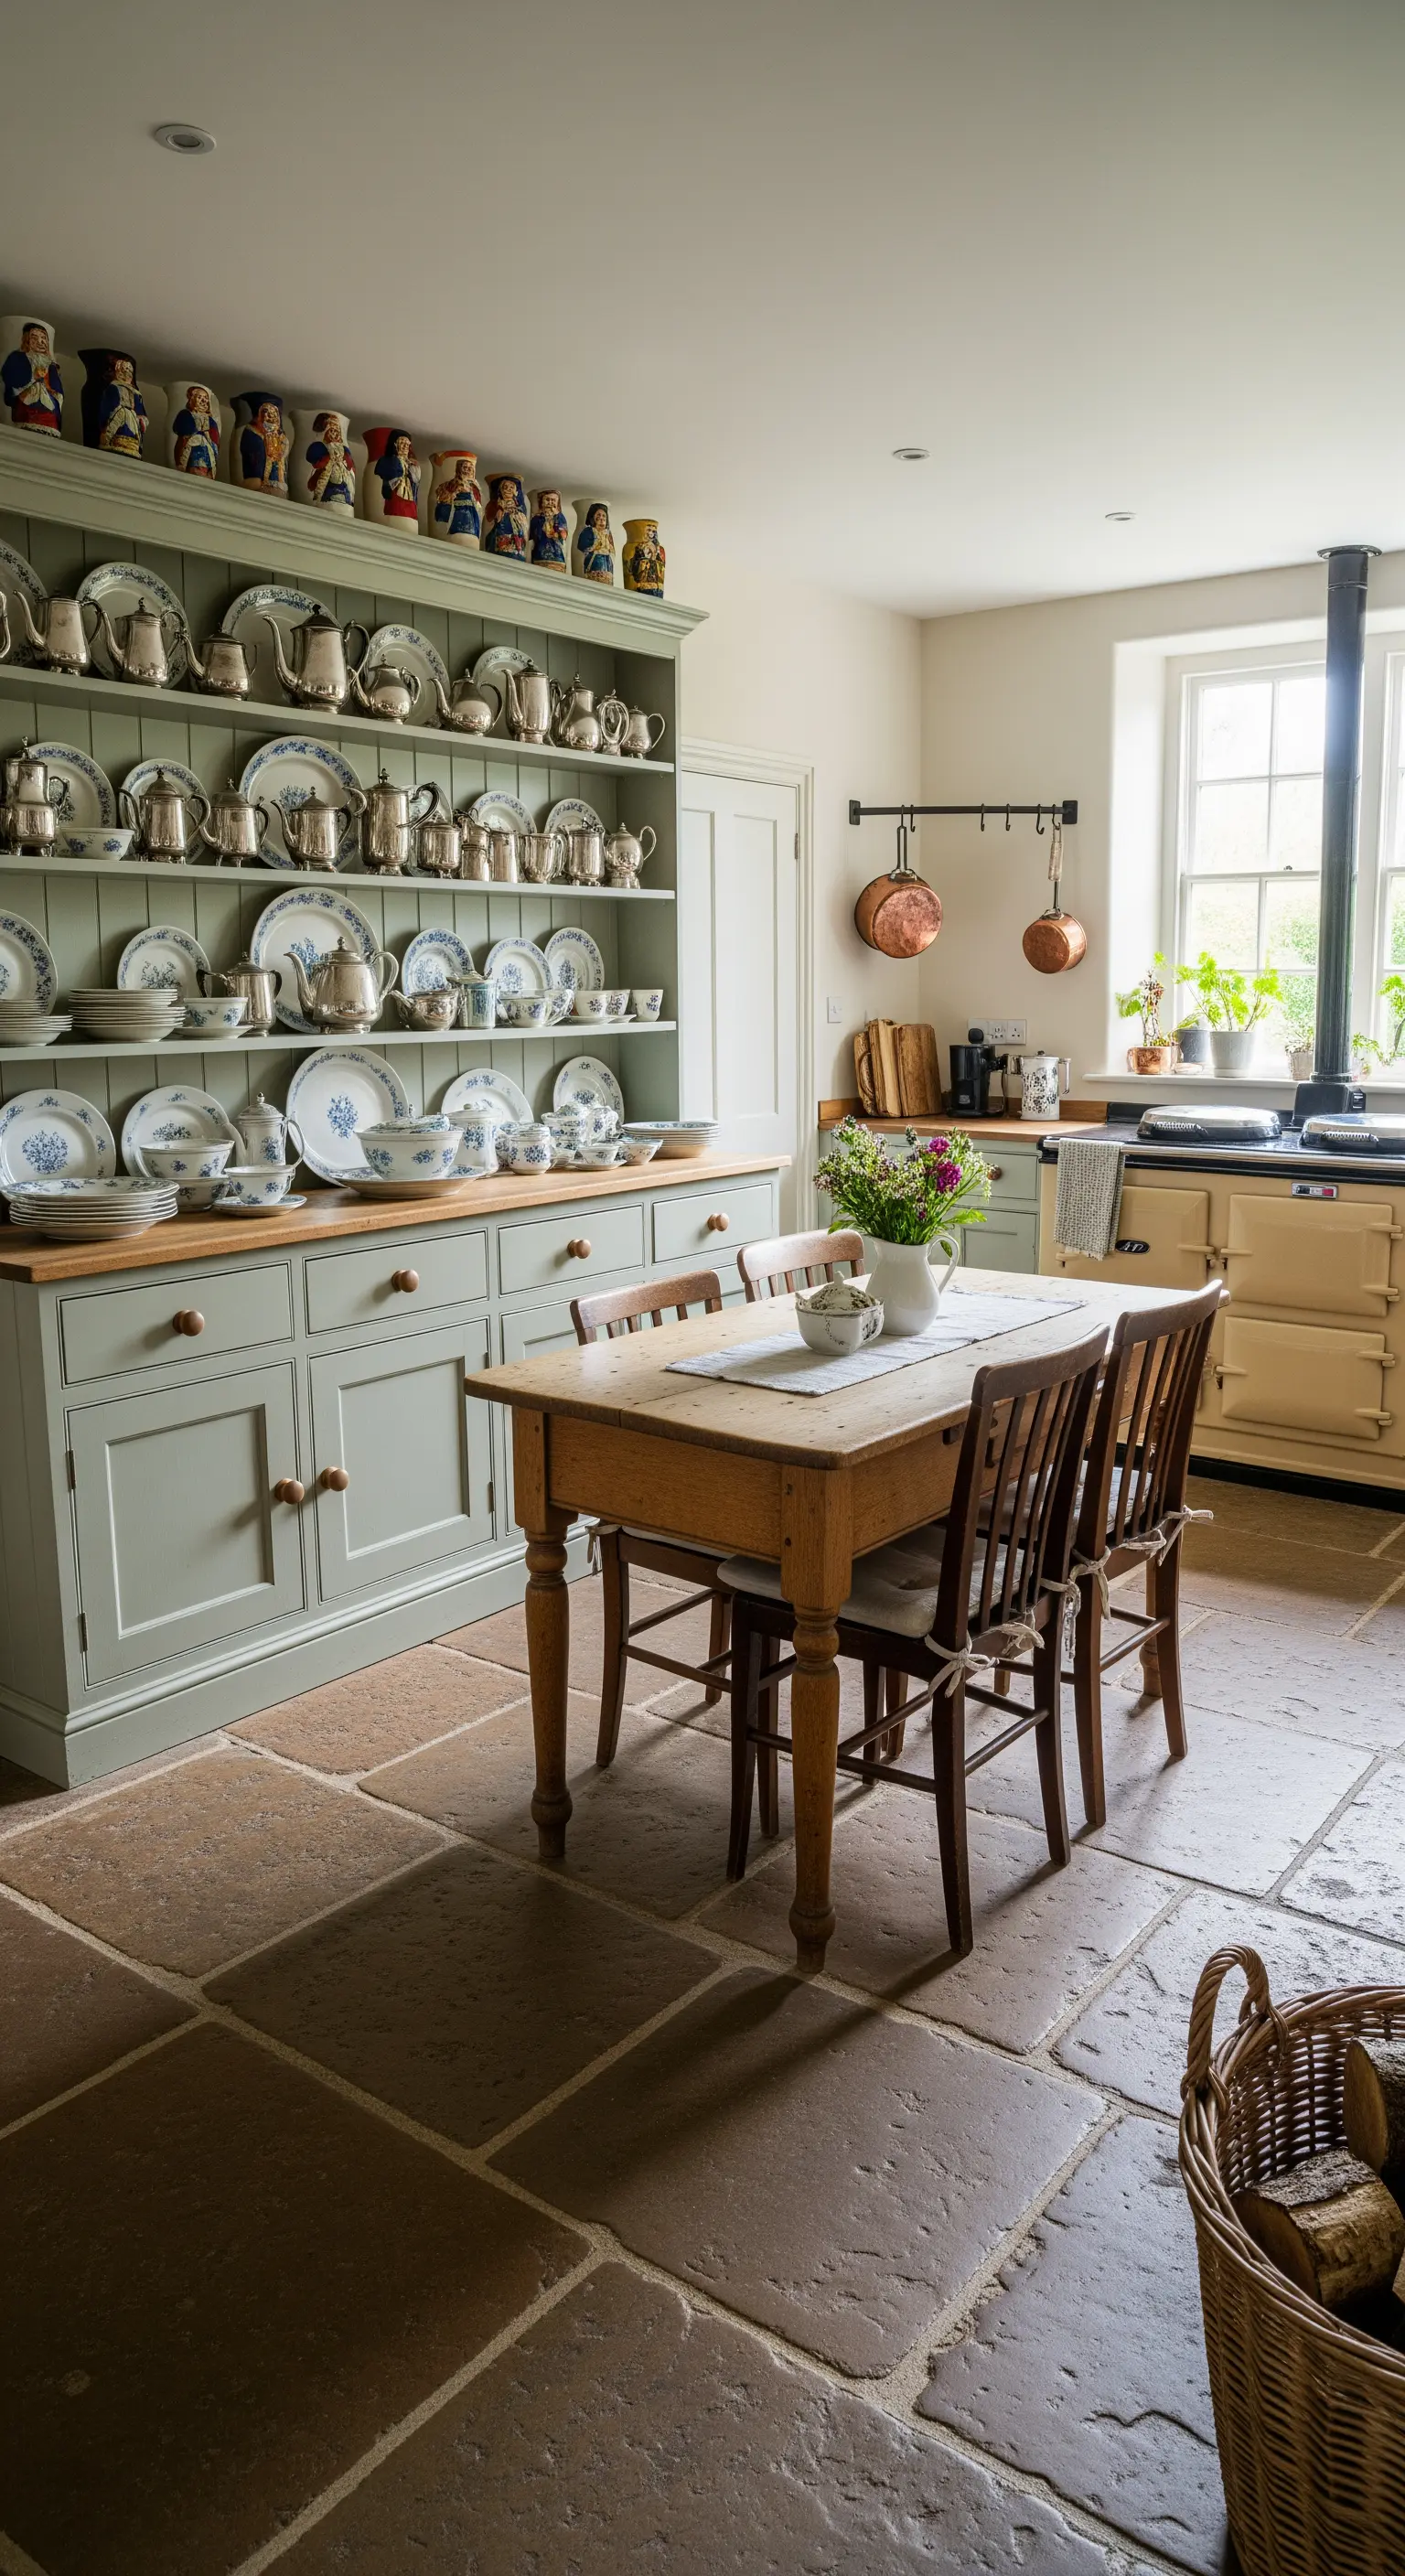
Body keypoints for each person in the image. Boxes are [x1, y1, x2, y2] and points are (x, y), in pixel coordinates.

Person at [2, 320, 61, 435]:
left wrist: (50, 388)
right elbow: (10, 378)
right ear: (26, 340)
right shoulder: (17, 358)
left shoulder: (51, 365)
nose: (40, 342)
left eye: (43, 338)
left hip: (48, 411)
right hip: (26, 407)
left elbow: (57, 390)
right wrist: (33, 378)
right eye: (34, 338)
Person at [95, 354, 146, 457]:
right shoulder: (114, 388)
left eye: (129, 370)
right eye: (125, 369)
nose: (127, 373)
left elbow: (141, 411)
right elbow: (107, 408)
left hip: (133, 423)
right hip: (120, 419)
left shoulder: (136, 393)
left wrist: (142, 420)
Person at [305, 411, 357, 510]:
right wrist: (330, 458)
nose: (335, 434)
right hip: (328, 484)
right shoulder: (320, 447)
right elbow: (317, 464)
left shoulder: (344, 450)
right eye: (332, 431)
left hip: (343, 483)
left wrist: (344, 459)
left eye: (337, 431)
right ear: (326, 432)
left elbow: (350, 467)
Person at [239, 396, 288, 493]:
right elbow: (253, 454)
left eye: (274, 413)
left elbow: (283, 453)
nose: (271, 416)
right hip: (258, 478)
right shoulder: (252, 431)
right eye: (267, 413)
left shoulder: (281, 435)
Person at [171, 383, 220, 478]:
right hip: (192, 446)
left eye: (206, 398)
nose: (203, 400)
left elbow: (215, 438)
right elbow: (181, 429)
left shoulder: (211, 420)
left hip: (207, 448)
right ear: (192, 399)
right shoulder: (186, 414)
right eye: (200, 397)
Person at [373, 429, 419, 523]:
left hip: (409, 496)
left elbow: (415, 480)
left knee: (410, 513)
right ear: (395, 444)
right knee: (397, 511)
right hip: (397, 494)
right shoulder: (389, 460)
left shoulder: (411, 464)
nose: (406, 446)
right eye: (402, 443)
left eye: (407, 444)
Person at [433, 452, 482, 541]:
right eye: (465, 467)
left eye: (470, 468)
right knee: (460, 530)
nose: (468, 470)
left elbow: (478, 503)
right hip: (459, 512)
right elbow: (444, 497)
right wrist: (455, 492)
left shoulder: (475, 486)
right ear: (459, 469)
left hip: (472, 513)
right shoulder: (453, 483)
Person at [483, 472, 528, 558]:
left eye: (511, 487)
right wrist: (501, 510)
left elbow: (524, 525)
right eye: (505, 487)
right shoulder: (496, 505)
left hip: (517, 539)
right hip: (500, 538)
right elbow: (490, 520)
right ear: (501, 491)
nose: (508, 489)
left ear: (515, 491)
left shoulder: (520, 508)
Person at [574, 502, 615, 583]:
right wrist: (595, 545)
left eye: (604, 516)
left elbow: (612, 550)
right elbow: (582, 545)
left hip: (607, 562)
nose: (601, 518)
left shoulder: (608, 533)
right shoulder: (588, 531)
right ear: (593, 517)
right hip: (594, 560)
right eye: (598, 515)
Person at [530, 488, 568, 567]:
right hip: (540, 552)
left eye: (553, 500)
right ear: (542, 502)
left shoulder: (559, 517)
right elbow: (531, 536)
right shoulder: (537, 519)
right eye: (547, 500)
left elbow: (564, 533)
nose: (550, 503)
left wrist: (558, 534)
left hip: (556, 553)